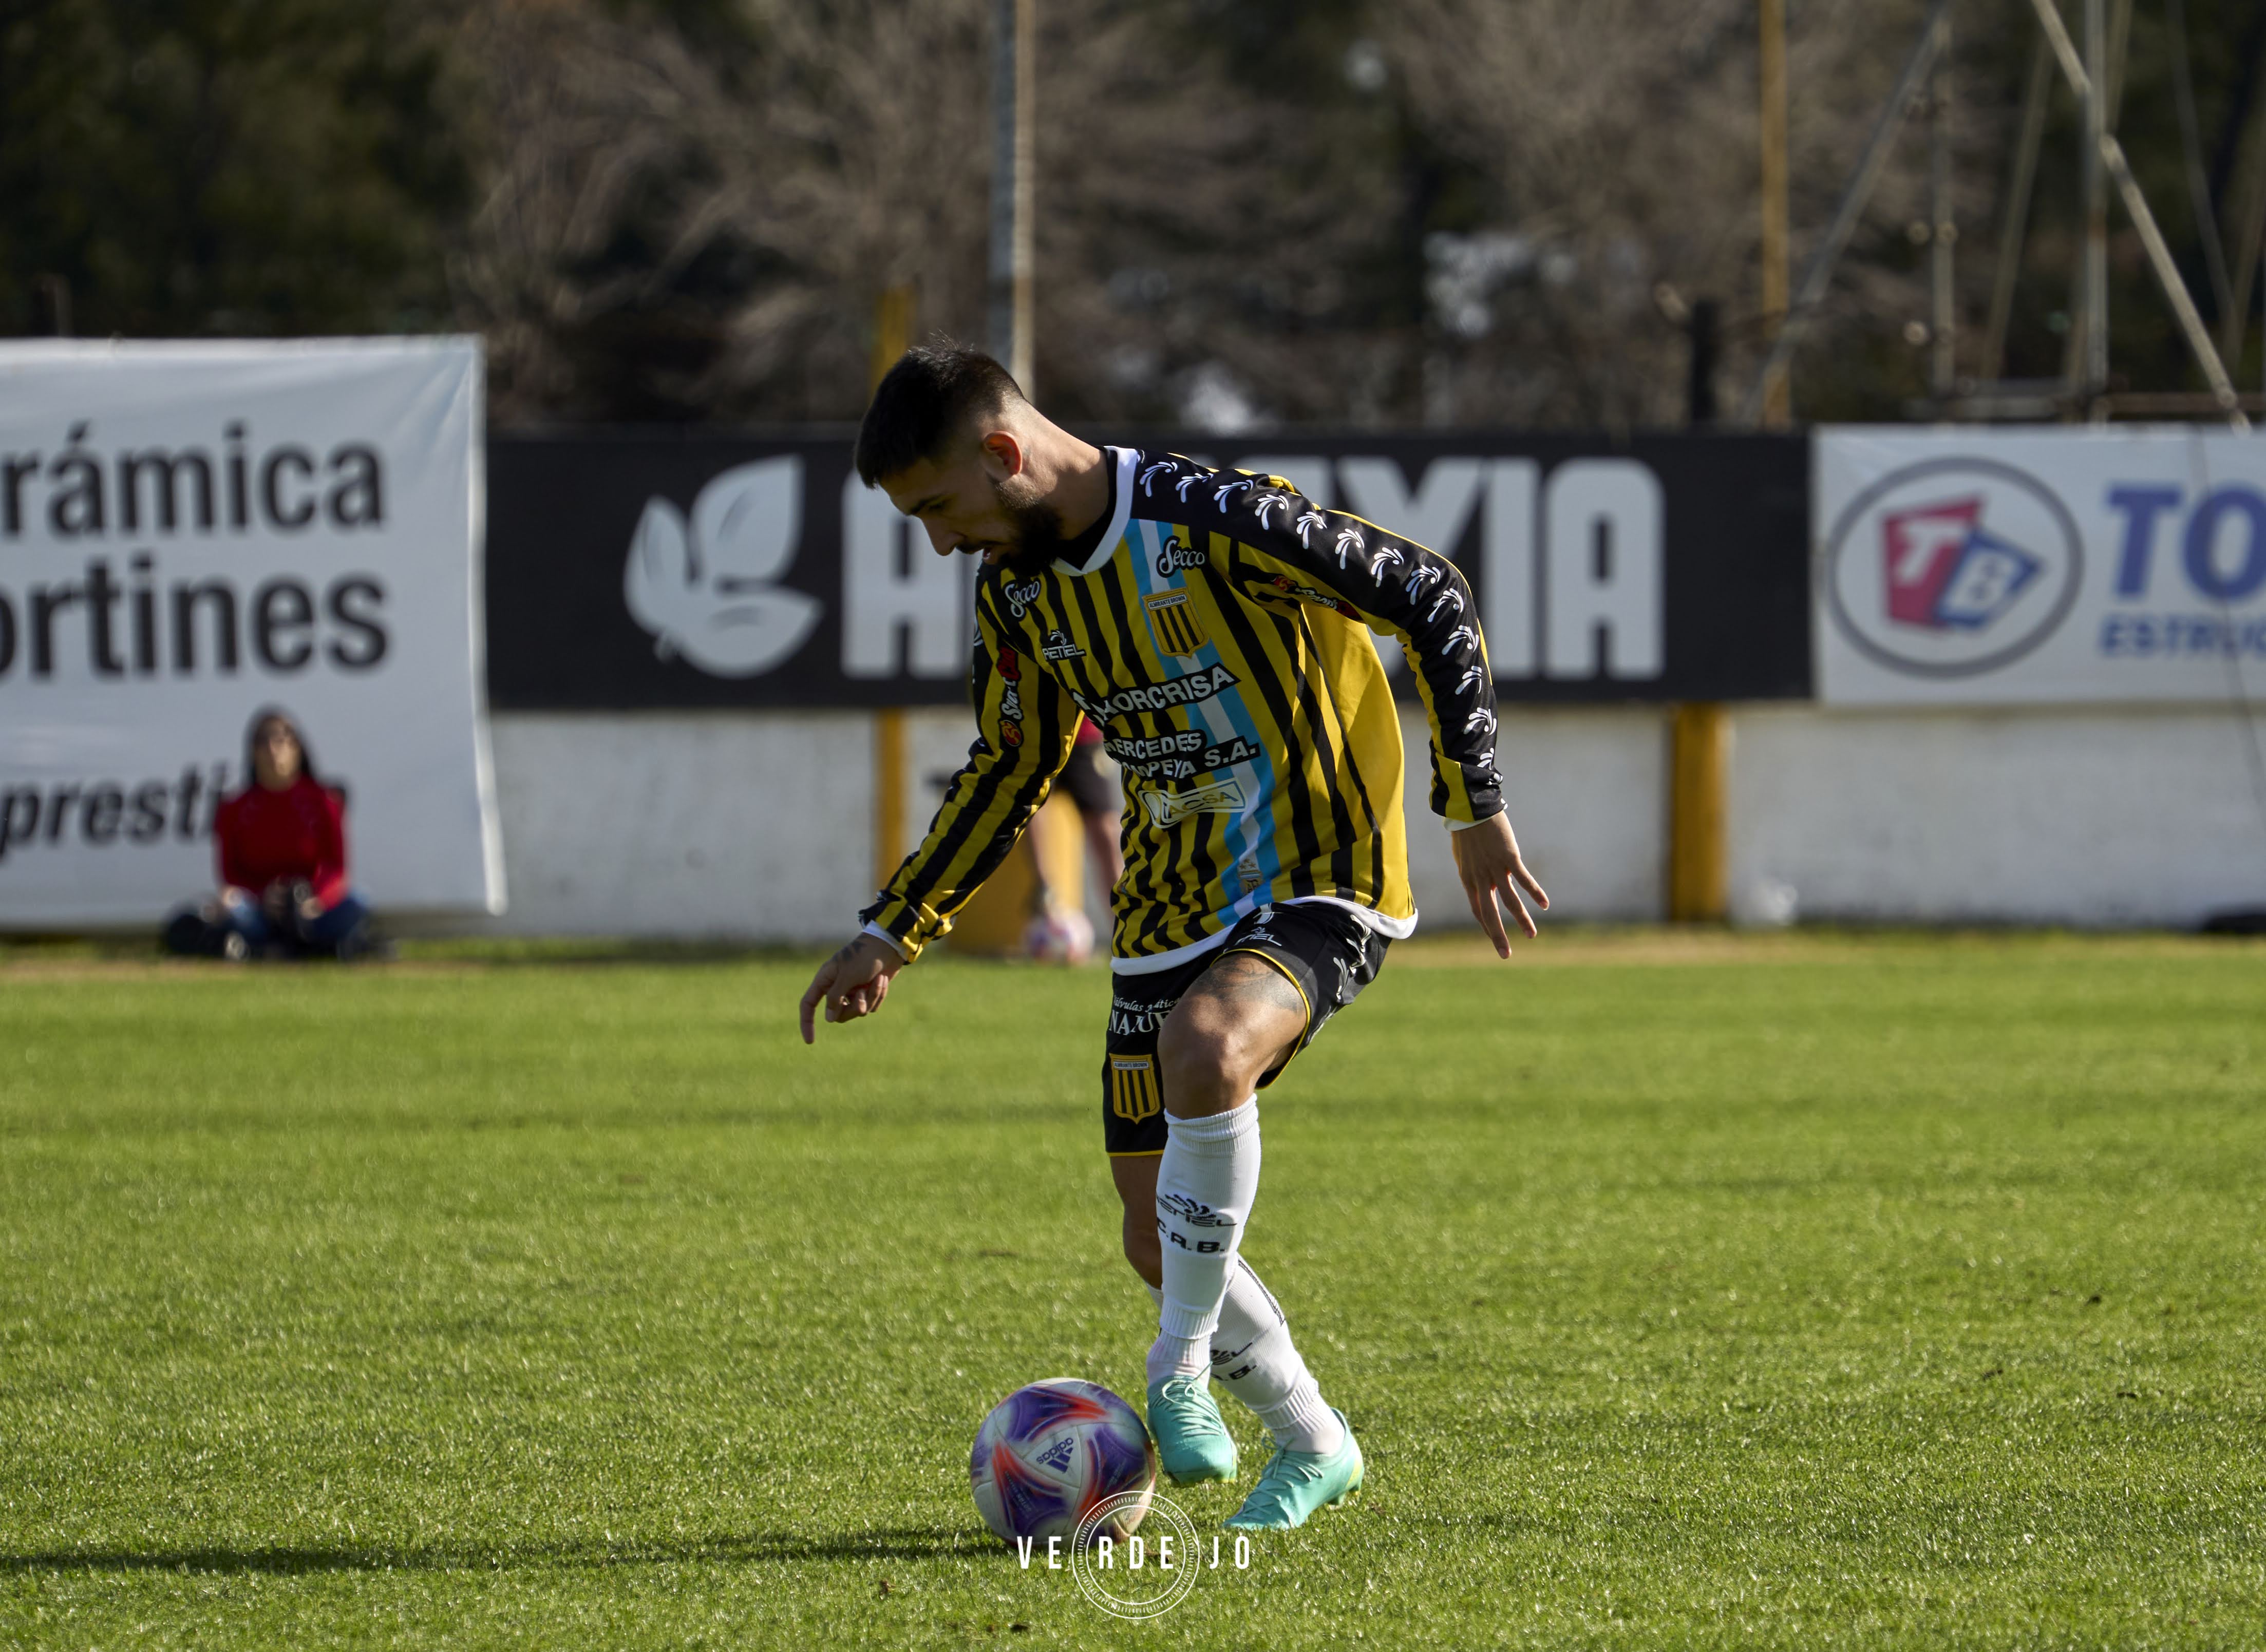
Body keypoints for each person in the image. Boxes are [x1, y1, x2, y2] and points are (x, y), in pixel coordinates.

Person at [798, 344, 1548, 1532]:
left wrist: (1474, 804)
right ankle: (1314, 1440)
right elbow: (1011, 766)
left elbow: (1429, 592)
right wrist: (895, 928)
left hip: (1321, 873)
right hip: (1163, 909)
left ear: (1004, 453)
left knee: (1209, 1047)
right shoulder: (1017, 592)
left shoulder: (1211, 520)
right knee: (1155, 1231)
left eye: (940, 508)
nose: (940, 542)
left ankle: (1177, 1367)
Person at [163, 709, 379, 961]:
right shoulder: (235, 808)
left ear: (297, 747)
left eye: (281, 739)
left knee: (358, 900)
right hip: (259, 911)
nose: (273, 750)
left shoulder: (324, 802)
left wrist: (315, 900)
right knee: (232, 908)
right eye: (262, 741)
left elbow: (337, 869)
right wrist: (264, 898)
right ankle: (274, 948)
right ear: (252, 751)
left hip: (313, 911)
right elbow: (231, 874)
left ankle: (310, 946)